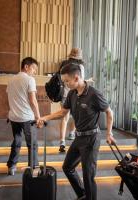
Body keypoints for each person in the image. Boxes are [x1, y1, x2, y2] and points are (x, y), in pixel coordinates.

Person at [38, 63, 115, 200]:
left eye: (67, 81)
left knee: (88, 176)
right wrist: (45, 117)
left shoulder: (94, 94)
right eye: (64, 82)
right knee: (67, 167)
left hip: (91, 138)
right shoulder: (72, 94)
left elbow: (109, 112)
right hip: (79, 138)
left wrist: (109, 133)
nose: (65, 84)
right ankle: (83, 195)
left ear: (76, 78)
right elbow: (63, 112)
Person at [6, 57, 41, 176]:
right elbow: (33, 100)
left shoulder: (11, 79)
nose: (34, 72)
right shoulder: (29, 80)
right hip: (27, 118)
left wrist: (10, 111)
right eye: (34, 68)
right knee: (33, 144)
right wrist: (38, 117)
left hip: (13, 117)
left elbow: (9, 98)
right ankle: (34, 170)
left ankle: (11, 166)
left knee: (17, 140)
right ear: (26, 67)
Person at [58, 48, 86, 153]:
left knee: (64, 116)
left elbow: (61, 79)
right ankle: (71, 133)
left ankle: (62, 141)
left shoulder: (63, 64)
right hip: (76, 94)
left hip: (64, 93)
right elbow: (80, 81)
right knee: (75, 115)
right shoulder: (80, 67)